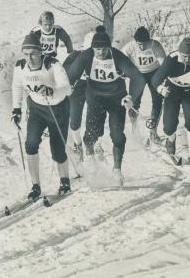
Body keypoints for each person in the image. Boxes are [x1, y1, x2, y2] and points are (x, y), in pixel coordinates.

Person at [66, 29, 145, 185]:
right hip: (95, 98)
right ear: (92, 48)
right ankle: (92, 164)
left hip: (116, 99)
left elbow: (138, 77)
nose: (100, 52)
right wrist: (65, 88)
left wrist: (131, 97)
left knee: (117, 135)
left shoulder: (117, 57)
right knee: (90, 135)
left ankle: (117, 170)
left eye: (103, 49)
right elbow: (70, 75)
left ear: (109, 48)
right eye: (97, 49)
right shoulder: (87, 55)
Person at [11, 32, 72, 200]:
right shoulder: (20, 67)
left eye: (33, 54)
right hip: (37, 108)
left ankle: (65, 181)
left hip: (58, 108)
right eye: (26, 54)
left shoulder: (53, 64)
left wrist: (52, 90)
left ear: (41, 52)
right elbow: (17, 86)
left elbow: (67, 88)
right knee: (30, 144)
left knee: (57, 149)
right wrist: (16, 110)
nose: (29, 58)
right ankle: (35, 185)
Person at [151, 37, 190, 169]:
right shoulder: (171, 59)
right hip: (172, 91)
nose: (187, 59)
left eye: (189, 56)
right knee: (168, 126)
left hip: (189, 92)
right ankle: (171, 139)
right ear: (179, 53)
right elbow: (155, 79)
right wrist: (161, 89)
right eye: (184, 56)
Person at [63, 25, 106, 161]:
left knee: (95, 115)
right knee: (74, 120)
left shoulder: (102, 56)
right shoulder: (76, 55)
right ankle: (78, 144)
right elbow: (63, 73)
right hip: (78, 88)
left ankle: (95, 143)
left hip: (93, 86)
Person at [122, 26, 166, 143]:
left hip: (154, 73)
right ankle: (135, 130)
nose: (141, 47)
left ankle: (153, 132)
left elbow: (164, 65)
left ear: (149, 41)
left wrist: (163, 79)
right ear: (135, 41)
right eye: (139, 44)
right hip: (138, 74)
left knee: (157, 101)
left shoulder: (155, 45)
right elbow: (120, 60)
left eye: (144, 44)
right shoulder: (130, 47)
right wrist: (125, 71)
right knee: (133, 102)